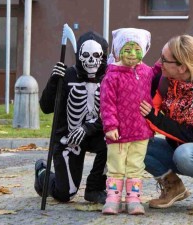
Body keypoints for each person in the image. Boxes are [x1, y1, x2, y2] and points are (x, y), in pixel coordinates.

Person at [139, 34, 193, 213]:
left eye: (164, 59)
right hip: (176, 148)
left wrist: (155, 118)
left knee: (184, 153)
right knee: (136, 145)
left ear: (182, 67)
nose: (159, 63)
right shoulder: (165, 80)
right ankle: (173, 186)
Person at [34, 31, 108, 204]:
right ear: (78, 56)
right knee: (65, 194)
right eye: (86, 56)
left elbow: (112, 113)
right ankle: (42, 173)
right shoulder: (67, 75)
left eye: (96, 56)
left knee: (115, 143)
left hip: (96, 133)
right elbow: (45, 108)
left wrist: (88, 128)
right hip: (69, 139)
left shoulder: (109, 77)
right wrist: (54, 81)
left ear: (103, 57)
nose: (91, 61)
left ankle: (95, 187)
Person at [100, 28, 157, 215]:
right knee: (116, 166)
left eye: (136, 49)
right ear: (118, 50)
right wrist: (110, 125)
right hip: (118, 132)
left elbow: (159, 72)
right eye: (127, 49)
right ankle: (113, 199)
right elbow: (107, 103)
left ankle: (134, 199)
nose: (132, 54)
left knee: (136, 166)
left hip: (140, 130)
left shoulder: (148, 72)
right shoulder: (112, 75)